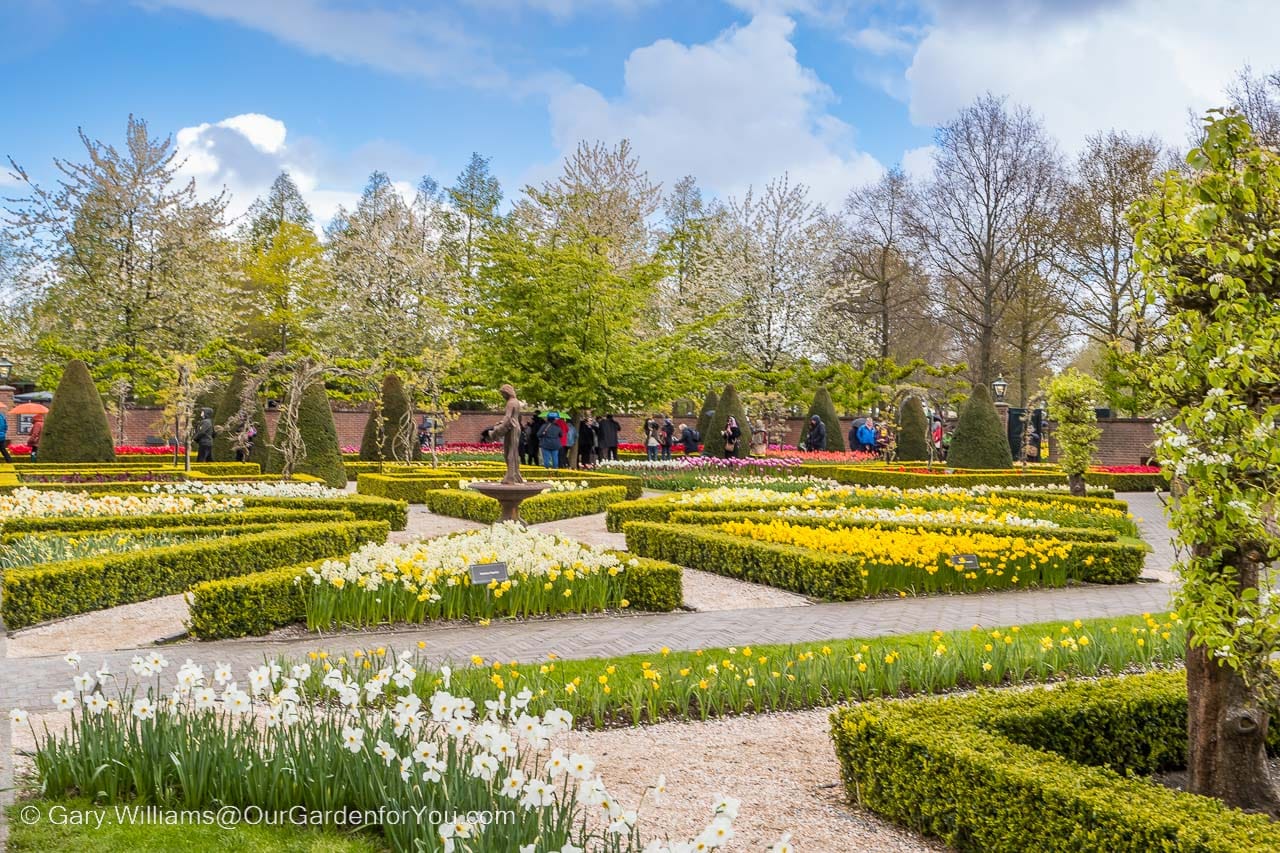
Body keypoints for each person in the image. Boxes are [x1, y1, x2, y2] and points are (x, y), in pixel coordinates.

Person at [489, 383, 525, 484]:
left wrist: (497, 429)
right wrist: (501, 423)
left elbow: (508, 417)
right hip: (514, 426)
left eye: (503, 394)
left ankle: (511, 477)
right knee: (512, 451)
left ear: (507, 392)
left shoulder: (510, 402)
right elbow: (512, 417)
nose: (503, 396)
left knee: (510, 452)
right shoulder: (516, 402)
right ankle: (515, 474)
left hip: (512, 428)